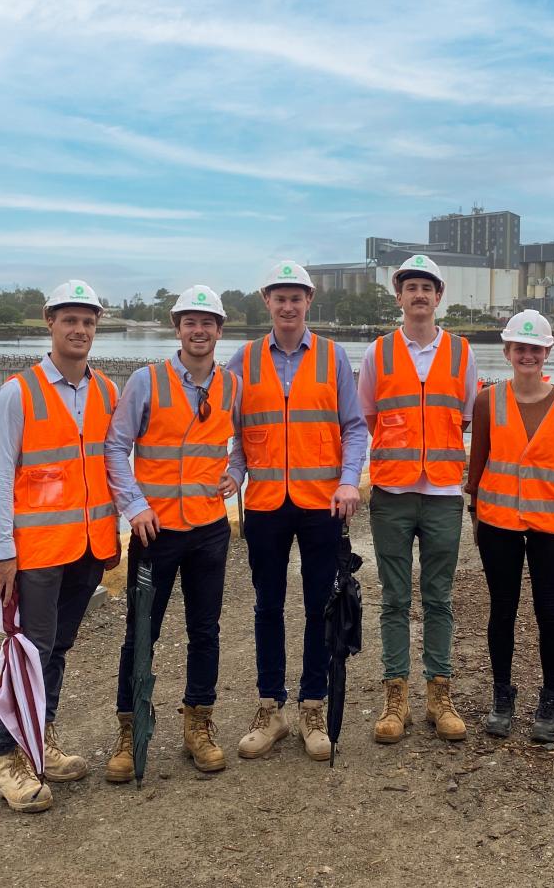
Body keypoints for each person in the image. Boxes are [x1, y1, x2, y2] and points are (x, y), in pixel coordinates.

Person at [0, 280, 120, 813]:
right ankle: (8, 760)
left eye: (88, 321)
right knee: (27, 652)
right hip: (34, 551)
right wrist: (0, 551)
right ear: (50, 323)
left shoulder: (106, 392)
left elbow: (113, 466)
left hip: (86, 547)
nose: (80, 330)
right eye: (70, 320)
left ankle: (40, 739)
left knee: (56, 649)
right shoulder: (19, 392)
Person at [225, 261, 369, 761]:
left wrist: (350, 481)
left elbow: (354, 426)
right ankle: (271, 707)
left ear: (309, 301)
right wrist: (235, 474)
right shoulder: (243, 362)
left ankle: (313, 703)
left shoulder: (332, 358)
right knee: (266, 606)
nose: (288, 306)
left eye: (297, 298)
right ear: (267, 301)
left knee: (319, 608)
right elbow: (237, 433)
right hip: (265, 503)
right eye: (279, 298)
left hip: (321, 503)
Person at [105, 285, 240, 777]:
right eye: (190, 322)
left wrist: (237, 471)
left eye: (208, 322)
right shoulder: (146, 382)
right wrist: (134, 506)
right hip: (153, 532)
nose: (199, 330)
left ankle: (198, 723)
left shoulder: (231, 385)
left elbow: (243, 437)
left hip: (208, 529)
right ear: (177, 328)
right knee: (142, 633)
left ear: (219, 331)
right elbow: (116, 447)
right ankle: (130, 727)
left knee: (205, 631)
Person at [357, 254, 478, 743]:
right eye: (411, 287)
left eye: (428, 287)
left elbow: (465, 415)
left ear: (439, 296)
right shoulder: (377, 354)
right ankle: (395, 696)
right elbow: (369, 415)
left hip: (444, 492)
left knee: (439, 598)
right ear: (399, 295)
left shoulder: (461, 352)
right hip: (392, 491)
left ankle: (439, 694)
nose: (420, 295)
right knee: (393, 598)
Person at [465, 310, 554, 743]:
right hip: (498, 522)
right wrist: (475, 512)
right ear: (508, 352)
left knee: (550, 612)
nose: (527, 355)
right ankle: (502, 695)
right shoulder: (487, 401)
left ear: (547, 351)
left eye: (535, 348)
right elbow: (477, 464)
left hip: (552, 524)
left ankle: (550, 698)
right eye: (520, 348)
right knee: (503, 609)